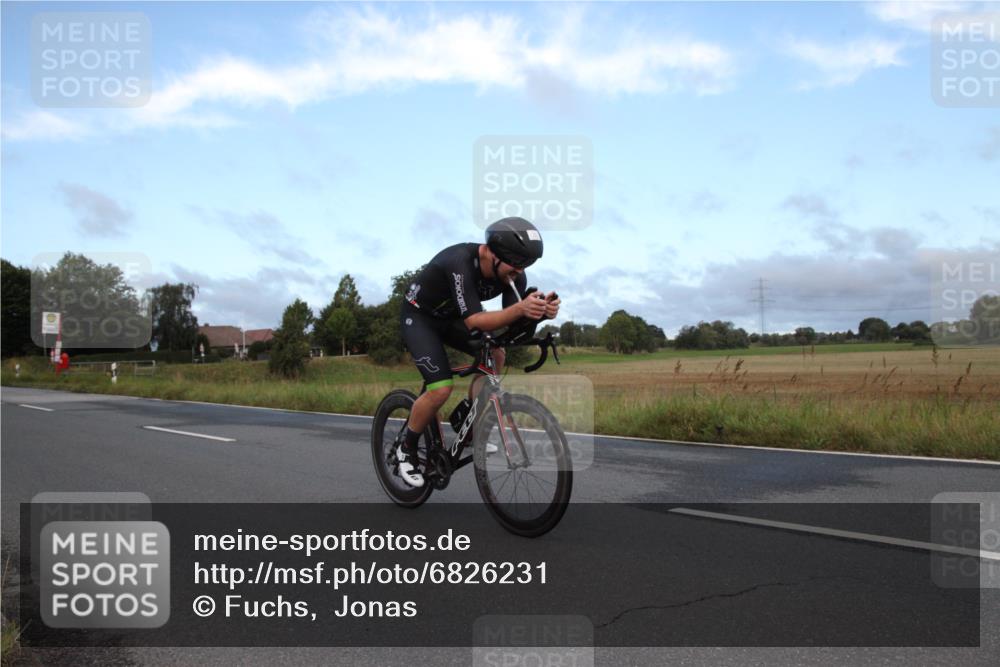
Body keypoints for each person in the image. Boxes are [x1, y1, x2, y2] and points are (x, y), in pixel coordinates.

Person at [396, 217, 560, 487]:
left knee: (496, 355)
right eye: (516, 264)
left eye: (525, 266)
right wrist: (520, 309)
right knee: (440, 389)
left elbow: (510, 328)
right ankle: (407, 447)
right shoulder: (458, 262)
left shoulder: (511, 273)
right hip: (420, 318)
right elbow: (474, 321)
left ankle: (466, 423)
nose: (519, 272)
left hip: (451, 319)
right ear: (492, 254)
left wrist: (539, 315)